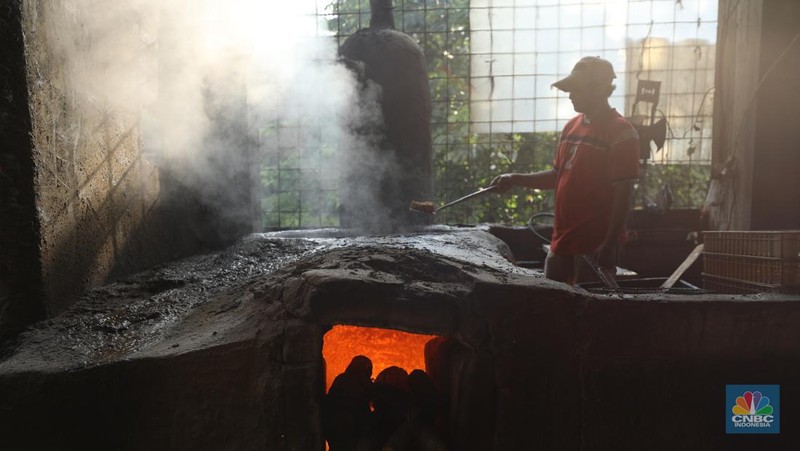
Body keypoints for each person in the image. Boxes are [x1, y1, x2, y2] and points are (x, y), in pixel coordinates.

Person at [489, 56, 640, 284]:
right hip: (562, 240)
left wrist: (609, 244)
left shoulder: (620, 132)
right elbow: (557, 176)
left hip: (594, 244)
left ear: (600, 90)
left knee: (589, 312)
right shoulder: (571, 126)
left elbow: (623, 194)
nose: (570, 95)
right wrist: (515, 179)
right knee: (554, 308)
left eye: (577, 90)